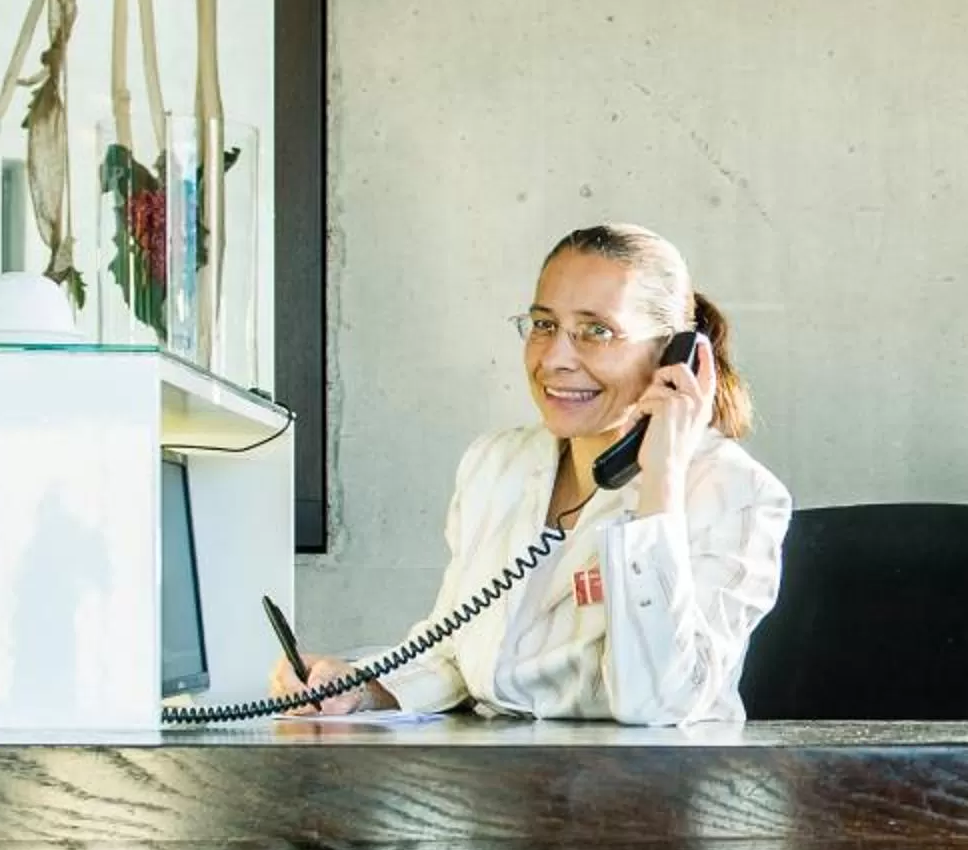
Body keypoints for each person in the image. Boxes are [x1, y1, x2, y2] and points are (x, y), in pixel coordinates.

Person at [277, 223, 791, 724]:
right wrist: (363, 689)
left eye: (597, 331)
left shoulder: (739, 493)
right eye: (544, 325)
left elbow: (659, 701)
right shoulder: (495, 463)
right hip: (505, 789)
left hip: (655, 799)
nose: (555, 359)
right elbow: (461, 650)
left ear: (676, 356)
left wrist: (661, 480)